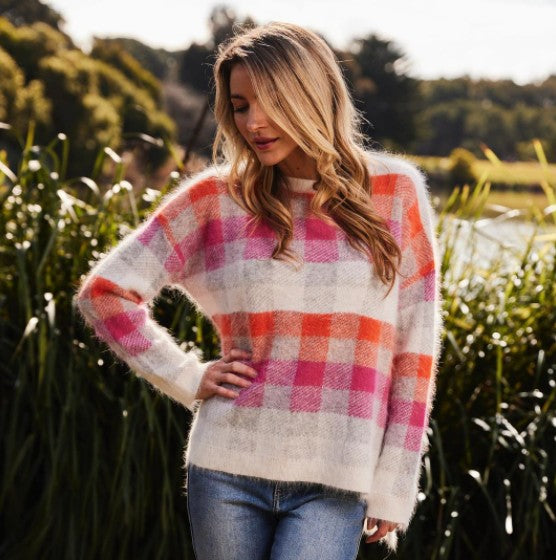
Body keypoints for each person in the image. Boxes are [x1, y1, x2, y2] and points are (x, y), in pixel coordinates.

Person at [75, 21, 444, 560]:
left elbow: (417, 348)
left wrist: (395, 482)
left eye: (269, 101)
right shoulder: (216, 198)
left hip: (337, 477)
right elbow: (104, 293)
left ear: (311, 95)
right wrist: (187, 376)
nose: (253, 122)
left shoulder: (393, 192)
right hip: (227, 468)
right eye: (240, 105)